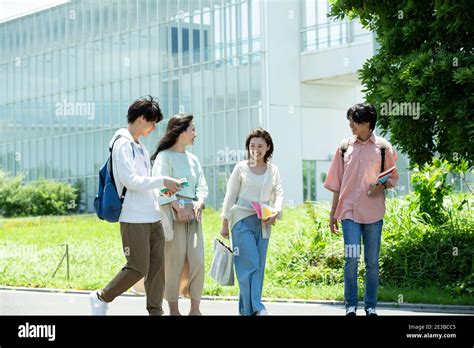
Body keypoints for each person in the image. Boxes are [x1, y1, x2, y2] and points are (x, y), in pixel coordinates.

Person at [89, 96, 182, 316]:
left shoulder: (139, 146)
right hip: (133, 218)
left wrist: (162, 189)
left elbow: (144, 182)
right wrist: (162, 180)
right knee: (138, 267)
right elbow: (130, 181)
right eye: (153, 122)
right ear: (142, 119)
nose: (154, 128)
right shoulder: (122, 144)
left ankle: (155, 312)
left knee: (157, 270)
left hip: (152, 216)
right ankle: (101, 296)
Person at [324, 103, 399, 316]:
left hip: (373, 213)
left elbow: (392, 177)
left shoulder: (384, 147)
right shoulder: (344, 147)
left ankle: (371, 306)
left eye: (354, 121)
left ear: (367, 123)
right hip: (349, 213)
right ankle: (350, 305)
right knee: (351, 258)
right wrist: (333, 214)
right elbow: (336, 183)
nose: (350, 125)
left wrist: (380, 185)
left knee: (372, 262)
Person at [220, 128, 284, 316]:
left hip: (264, 222)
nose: (255, 149)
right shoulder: (241, 168)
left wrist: (277, 211)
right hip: (241, 221)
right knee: (250, 263)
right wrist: (224, 222)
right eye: (252, 146)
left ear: (268, 148)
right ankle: (257, 306)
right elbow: (230, 196)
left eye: (260, 146)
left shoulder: (273, 170)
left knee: (258, 266)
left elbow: (279, 193)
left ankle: (247, 310)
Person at [151, 114, 208, 316]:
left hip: (193, 216)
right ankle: (173, 309)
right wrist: (176, 205)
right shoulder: (164, 157)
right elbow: (158, 185)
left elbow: (201, 184)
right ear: (181, 131)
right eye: (192, 129)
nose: (195, 134)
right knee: (174, 261)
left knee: (198, 260)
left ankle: (195, 309)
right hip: (172, 216)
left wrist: (200, 201)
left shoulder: (193, 159)